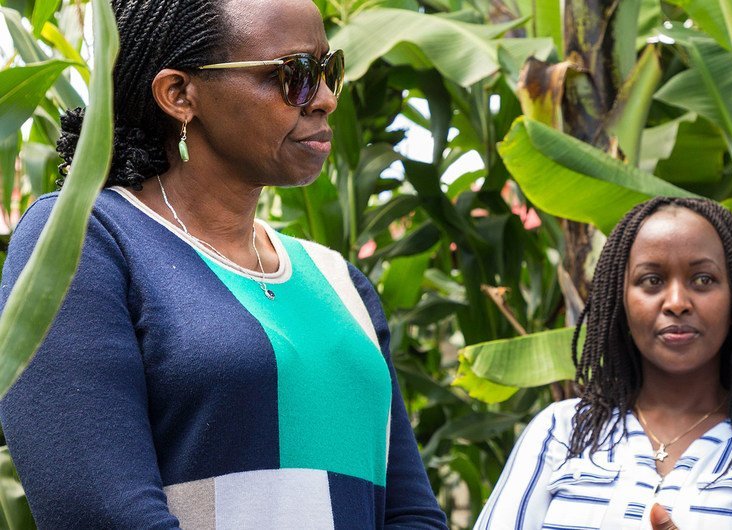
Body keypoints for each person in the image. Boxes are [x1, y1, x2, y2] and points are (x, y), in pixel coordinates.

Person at [0, 0, 446, 527]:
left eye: (330, 71)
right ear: (179, 94)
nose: (324, 99)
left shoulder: (339, 282)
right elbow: (102, 513)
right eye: (293, 75)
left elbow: (412, 513)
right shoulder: (84, 241)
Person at [475, 197, 732, 529]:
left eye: (703, 279)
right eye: (652, 280)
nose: (677, 302)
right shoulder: (561, 431)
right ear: (621, 301)